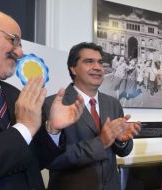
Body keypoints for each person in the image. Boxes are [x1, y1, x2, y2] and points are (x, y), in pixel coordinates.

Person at [0, 7, 84, 190]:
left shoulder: (16, 95)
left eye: (21, 44)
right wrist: (24, 127)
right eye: (14, 40)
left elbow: (34, 161)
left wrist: (52, 130)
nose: (19, 53)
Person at [42, 42, 141, 190]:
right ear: (73, 68)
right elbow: (51, 160)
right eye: (89, 61)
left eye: (100, 62)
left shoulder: (113, 104)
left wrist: (121, 142)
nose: (97, 67)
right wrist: (101, 142)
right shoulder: (53, 105)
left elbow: (124, 151)